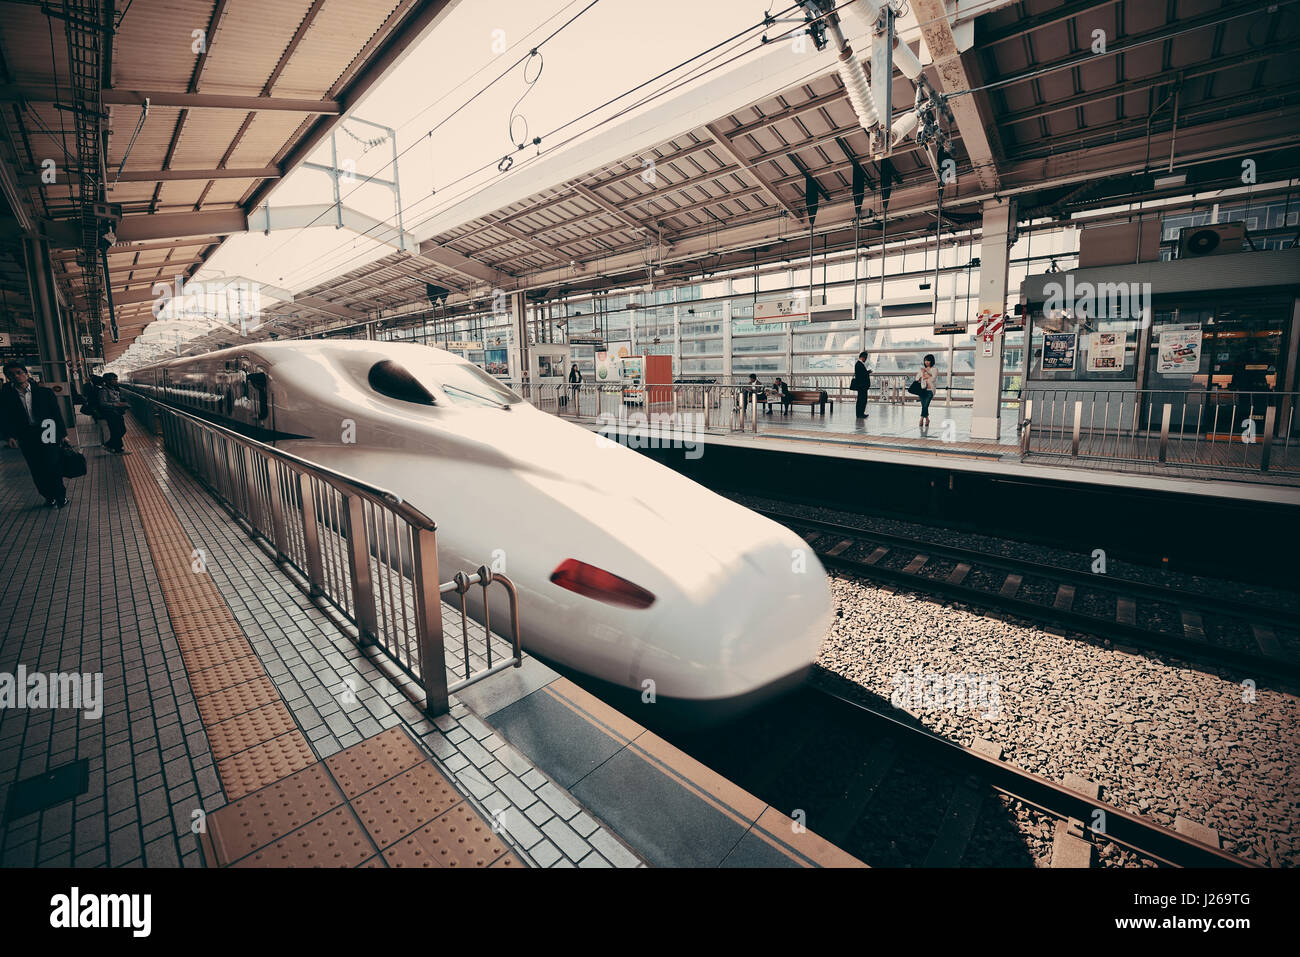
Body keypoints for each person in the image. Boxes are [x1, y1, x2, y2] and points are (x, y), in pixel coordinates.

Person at [0, 361, 71, 507]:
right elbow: (4, 417)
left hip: (48, 430)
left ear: (26, 374)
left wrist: (63, 434)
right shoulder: (6, 396)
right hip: (26, 435)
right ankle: (48, 495)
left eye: (19, 373)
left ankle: (60, 495)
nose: (16, 376)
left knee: (53, 464)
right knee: (36, 467)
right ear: (8, 377)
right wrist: (9, 436)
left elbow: (56, 414)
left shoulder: (45, 393)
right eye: (12, 375)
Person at [97, 372, 130, 454]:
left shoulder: (113, 389)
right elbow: (102, 404)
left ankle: (109, 445)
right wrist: (116, 404)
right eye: (114, 379)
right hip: (110, 414)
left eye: (116, 379)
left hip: (117, 412)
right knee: (116, 431)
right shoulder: (103, 391)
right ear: (107, 381)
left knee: (122, 430)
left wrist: (122, 404)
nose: (116, 381)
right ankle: (118, 449)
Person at [916, 353, 938, 428]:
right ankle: (927, 419)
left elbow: (933, 379)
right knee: (924, 406)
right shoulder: (922, 369)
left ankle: (921, 419)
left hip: (930, 390)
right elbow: (917, 378)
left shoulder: (934, 369)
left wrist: (925, 373)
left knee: (926, 405)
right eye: (925, 361)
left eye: (928, 361)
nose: (927, 362)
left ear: (932, 361)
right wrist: (923, 374)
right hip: (922, 390)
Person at [851, 352, 872, 418]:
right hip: (862, 386)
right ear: (863, 357)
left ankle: (861, 413)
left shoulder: (859, 364)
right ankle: (860, 414)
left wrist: (866, 372)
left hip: (861, 386)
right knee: (861, 400)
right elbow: (861, 375)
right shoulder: (859, 364)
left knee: (862, 400)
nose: (865, 359)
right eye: (865, 358)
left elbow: (861, 374)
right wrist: (868, 372)